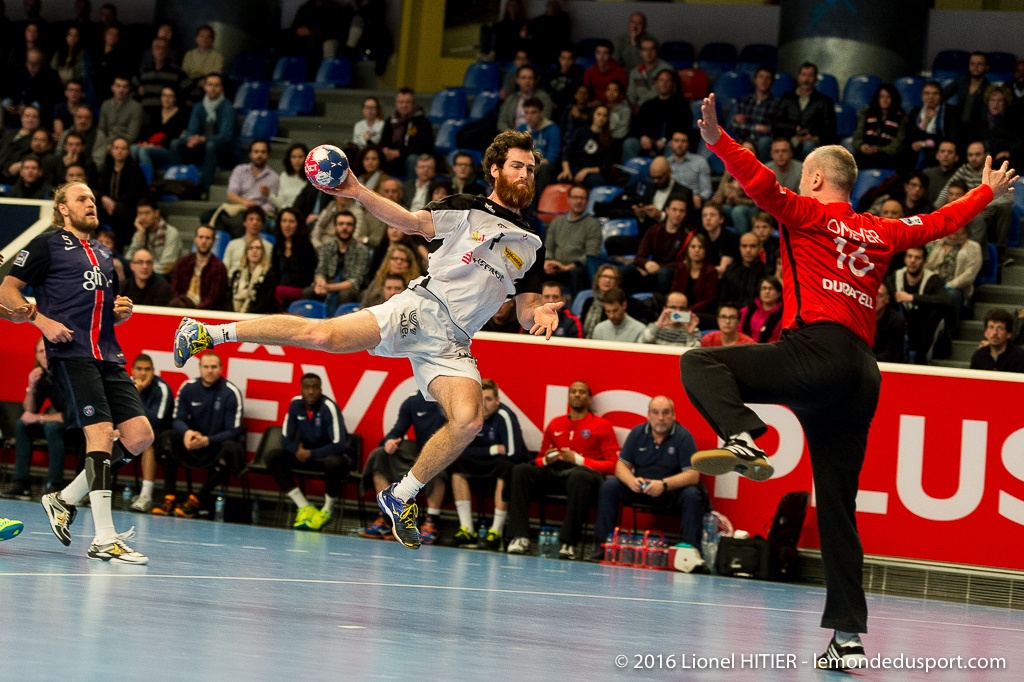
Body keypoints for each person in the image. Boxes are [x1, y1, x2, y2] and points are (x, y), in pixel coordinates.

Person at [679, 92, 1017, 667]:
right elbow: (940, 222)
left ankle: (740, 433)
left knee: (699, 361)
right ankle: (847, 639)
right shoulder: (881, 231)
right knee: (837, 508)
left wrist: (717, 140)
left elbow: (759, 182)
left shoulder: (805, 212)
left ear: (812, 179)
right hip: (862, 375)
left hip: (816, 351)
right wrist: (987, 191)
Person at [172, 129, 563, 549]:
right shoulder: (468, 207)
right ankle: (207, 332)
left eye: (531, 169)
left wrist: (537, 312)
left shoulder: (533, 243)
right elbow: (411, 223)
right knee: (321, 334)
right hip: (420, 311)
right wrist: (358, 192)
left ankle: (400, 496)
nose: (525, 175)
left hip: (455, 342)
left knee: (468, 421)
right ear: (495, 170)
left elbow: (525, 307)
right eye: (517, 166)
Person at [1, 181, 154, 564]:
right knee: (101, 434)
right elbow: (7, 289)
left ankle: (64, 498)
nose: (90, 203)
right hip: (71, 354)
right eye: (81, 199)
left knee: (138, 436)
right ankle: (104, 537)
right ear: (63, 209)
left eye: (91, 198)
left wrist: (119, 311)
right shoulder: (47, 244)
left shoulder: (105, 253)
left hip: (108, 354)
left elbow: (104, 309)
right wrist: (41, 321)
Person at [505, 380, 618, 559]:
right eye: (573, 392)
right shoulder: (555, 423)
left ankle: (568, 543)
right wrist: (547, 459)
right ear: (568, 397)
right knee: (521, 470)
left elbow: (613, 465)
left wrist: (579, 459)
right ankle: (520, 537)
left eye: (582, 392)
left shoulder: (602, 425)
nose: (577, 395)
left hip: (584, 475)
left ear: (589, 399)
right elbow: (539, 459)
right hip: (556, 471)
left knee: (580, 477)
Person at [590, 396, 701, 560]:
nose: (660, 418)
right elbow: (621, 466)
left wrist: (664, 484)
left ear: (673, 415)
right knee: (610, 486)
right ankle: (602, 547)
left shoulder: (684, 437)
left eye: (665, 413)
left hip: (669, 491)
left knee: (692, 494)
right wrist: (631, 480)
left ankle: (691, 555)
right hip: (640, 488)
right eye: (655, 413)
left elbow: (693, 475)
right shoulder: (637, 433)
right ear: (648, 415)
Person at [156, 352, 244, 518]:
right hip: (192, 443)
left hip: (215, 446)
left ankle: (195, 501)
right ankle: (169, 497)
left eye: (214, 367)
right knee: (167, 437)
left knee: (231, 448)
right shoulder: (188, 387)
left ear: (221, 368)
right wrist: (187, 433)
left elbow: (234, 430)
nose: (210, 371)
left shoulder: (231, 392)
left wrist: (207, 440)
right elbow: (177, 419)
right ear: (199, 368)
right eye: (206, 367)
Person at [358, 391, 447, 544]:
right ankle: (387, 519)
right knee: (380, 455)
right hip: (418, 455)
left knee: (438, 461)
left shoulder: (452, 400)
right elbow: (397, 430)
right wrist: (390, 441)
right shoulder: (413, 401)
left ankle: (431, 523)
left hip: (445, 455)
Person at [447, 378, 527, 549]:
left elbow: (514, 454)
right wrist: (492, 450)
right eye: (480, 399)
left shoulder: (505, 416)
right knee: (456, 463)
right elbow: (458, 449)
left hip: (504, 468)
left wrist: (484, 453)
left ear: (497, 401)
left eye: (488, 399)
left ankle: (496, 532)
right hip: (484, 462)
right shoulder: (468, 416)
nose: (483, 404)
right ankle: (467, 529)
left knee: (505, 468)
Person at [264, 373, 349, 531]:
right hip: (305, 457)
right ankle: (304, 506)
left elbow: (339, 444)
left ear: (321, 389)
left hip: (327, 458)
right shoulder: (295, 404)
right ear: (301, 389)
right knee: (273, 457)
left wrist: (311, 453)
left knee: (334, 462)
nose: (311, 391)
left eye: (315, 387)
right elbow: (285, 440)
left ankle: (327, 510)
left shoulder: (329, 407)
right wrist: (297, 451)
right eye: (307, 388)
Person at [0, 336, 67, 499]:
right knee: (22, 425)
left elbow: (73, 415)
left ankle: (54, 485)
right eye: (40, 351)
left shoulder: (67, 374)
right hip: (59, 424)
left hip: (78, 429)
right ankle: (21, 483)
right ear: (36, 355)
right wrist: (32, 386)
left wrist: (41, 418)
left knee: (51, 426)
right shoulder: (43, 377)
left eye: (48, 350)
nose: (45, 354)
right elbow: (29, 411)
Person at [169, 72, 235, 190]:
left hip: (222, 148)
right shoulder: (198, 106)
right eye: (210, 85)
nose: (213, 88)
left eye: (217, 85)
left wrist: (203, 139)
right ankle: (175, 185)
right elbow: (191, 130)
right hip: (200, 145)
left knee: (211, 145)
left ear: (221, 88)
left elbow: (226, 136)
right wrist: (191, 138)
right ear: (205, 87)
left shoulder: (227, 107)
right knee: (175, 143)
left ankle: (204, 189)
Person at [127, 353, 173, 512]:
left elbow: (156, 420)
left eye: (147, 369)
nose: (143, 373)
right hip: (127, 431)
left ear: (153, 371)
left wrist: (136, 395)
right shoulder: (123, 386)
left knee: (147, 438)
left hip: (157, 435)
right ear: (132, 370)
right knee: (103, 435)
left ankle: (146, 496)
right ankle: (95, 490)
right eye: (139, 369)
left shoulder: (162, 388)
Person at [306, 209, 372, 313]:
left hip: (353, 290)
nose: (344, 227)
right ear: (335, 227)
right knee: (308, 292)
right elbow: (320, 271)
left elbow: (355, 281)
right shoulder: (327, 247)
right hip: (328, 285)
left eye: (349, 224)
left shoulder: (362, 250)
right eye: (341, 224)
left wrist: (328, 287)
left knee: (345, 294)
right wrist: (320, 283)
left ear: (354, 228)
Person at [542, 184, 601, 294]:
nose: (578, 201)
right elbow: (548, 247)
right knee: (533, 269)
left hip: (576, 268)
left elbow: (591, 254)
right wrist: (549, 261)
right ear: (568, 199)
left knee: (576, 273)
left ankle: (575, 309)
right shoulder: (556, 222)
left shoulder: (593, 225)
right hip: (555, 267)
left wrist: (568, 267)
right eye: (575, 197)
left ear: (587, 201)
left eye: (582, 198)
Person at [622, 69, 691, 162]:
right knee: (629, 143)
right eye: (661, 80)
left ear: (673, 84)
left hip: (668, 142)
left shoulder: (681, 105)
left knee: (674, 146)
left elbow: (684, 127)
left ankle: (666, 174)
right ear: (657, 83)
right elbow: (636, 126)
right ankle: (632, 173)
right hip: (647, 142)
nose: (664, 84)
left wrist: (666, 139)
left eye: (667, 81)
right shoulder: (648, 105)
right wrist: (642, 137)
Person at [773, 62, 837, 160]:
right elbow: (776, 123)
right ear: (798, 77)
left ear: (815, 79)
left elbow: (830, 129)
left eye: (810, 75)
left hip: (812, 140)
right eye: (804, 75)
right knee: (777, 146)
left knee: (809, 146)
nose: (806, 79)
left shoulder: (824, 101)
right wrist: (795, 128)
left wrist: (814, 137)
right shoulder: (787, 98)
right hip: (789, 139)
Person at [168, 224, 229, 310]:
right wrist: (181, 305)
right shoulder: (182, 263)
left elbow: (214, 298)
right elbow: (174, 288)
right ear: (195, 239)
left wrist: (196, 310)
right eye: (201, 237)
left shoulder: (219, 268)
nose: (203, 241)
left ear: (213, 241)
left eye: (208, 238)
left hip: (206, 312)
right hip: (181, 309)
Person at [379, 88, 434, 177]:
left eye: (408, 102)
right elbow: (382, 142)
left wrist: (399, 153)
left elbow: (424, 146)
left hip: (409, 157)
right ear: (396, 104)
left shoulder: (423, 122)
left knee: (412, 159)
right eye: (401, 102)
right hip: (391, 157)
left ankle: (411, 187)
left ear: (414, 104)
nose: (404, 105)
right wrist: (385, 150)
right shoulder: (390, 121)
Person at [91, 76, 143, 168]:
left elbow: (132, 135)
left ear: (128, 89)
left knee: (123, 150)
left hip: (125, 143)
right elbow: (102, 129)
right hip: (106, 142)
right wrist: (107, 143)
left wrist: (112, 144)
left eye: (124, 87)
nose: (121, 90)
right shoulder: (105, 105)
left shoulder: (136, 107)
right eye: (118, 86)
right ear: (112, 88)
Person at [851, 84, 906, 170]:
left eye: (888, 97)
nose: (885, 100)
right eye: (882, 97)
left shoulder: (901, 117)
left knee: (878, 160)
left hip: (887, 155)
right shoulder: (866, 114)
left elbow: (898, 144)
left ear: (893, 99)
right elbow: (857, 136)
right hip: (865, 153)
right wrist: (861, 146)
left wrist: (880, 149)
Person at [668, 232, 720, 323]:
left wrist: (687, 311)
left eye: (700, 247)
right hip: (680, 310)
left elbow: (708, 300)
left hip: (700, 312)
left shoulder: (711, 271)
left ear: (705, 250)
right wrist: (676, 308)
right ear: (688, 249)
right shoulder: (682, 268)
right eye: (693, 247)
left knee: (683, 318)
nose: (697, 250)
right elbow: (674, 291)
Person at [271, 207, 317, 308]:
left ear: (298, 224)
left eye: (291, 221)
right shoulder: (277, 246)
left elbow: (309, 275)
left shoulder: (306, 246)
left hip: (300, 289)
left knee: (276, 291)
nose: (287, 225)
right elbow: (274, 271)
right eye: (284, 221)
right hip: (280, 287)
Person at [125, 197, 182, 275]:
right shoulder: (140, 232)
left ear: (156, 213)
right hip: (142, 274)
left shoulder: (171, 233)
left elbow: (166, 266)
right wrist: (140, 236)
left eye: (147, 213)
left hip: (163, 276)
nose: (143, 217)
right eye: (140, 213)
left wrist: (143, 269)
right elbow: (129, 259)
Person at [731, 67, 778, 158]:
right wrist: (756, 127)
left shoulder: (776, 104)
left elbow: (771, 130)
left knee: (765, 142)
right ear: (755, 79)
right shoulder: (744, 100)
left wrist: (745, 125)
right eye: (761, 77)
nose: (764, 81)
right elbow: (733, 125)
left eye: (767, 78)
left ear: (772, 82)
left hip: (761, 142)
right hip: (743, 140)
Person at [497, 65, 553, 133]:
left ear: (535, 81)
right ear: (517, 80)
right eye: (523, 78)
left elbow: (545, 119)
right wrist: (512, 134)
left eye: (530, 78)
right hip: (513, 136)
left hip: (535, 136)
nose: (527, 81)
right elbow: (501, 122)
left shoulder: (543, 97)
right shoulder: (511, 98)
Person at [222, 207, 274, 279]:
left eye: (258, 220)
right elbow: (224, 269)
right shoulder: (232, 244)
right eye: (251, 219)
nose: (255, 222)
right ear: (244, 223)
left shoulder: (268, 247)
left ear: (262, 224)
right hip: (233, 283)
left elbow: (268, 270)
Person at [720, 232, 767, 310]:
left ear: (760, 248)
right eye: (744, 246)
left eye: (753, 246)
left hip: (758, 316)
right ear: (739, 248)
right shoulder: (731, 270)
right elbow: (723, 299)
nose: (748, 250)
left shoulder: (768, 272)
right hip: (733, 316)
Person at [230, 236, 278, 314]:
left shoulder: (269, 275)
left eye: (258, 248)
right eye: (251, 248)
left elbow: (263, 303)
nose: (254, 251)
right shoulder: (236, 274)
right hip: (235, 314)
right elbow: (230, 300)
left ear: (262, 252)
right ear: (246, 252)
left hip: (257, 316)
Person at [665, 131, 712, 207]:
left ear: (688, 144)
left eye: (683, 141)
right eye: (676, 141)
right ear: (671, 143)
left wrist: (700, 198)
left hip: (693, 204)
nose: (680, 144)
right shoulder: (665, 164)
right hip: (671, 204)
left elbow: (706, 191)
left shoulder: (700, 161)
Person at [969, 308, 1024, 373]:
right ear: (986, 333)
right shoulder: (979, 355)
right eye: (991, 327)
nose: (994, 333)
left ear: (1009, 334)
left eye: (1000, 328)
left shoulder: (1019, 357)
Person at [627, 38, 673, 111]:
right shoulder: (635, 72)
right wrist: (633, 106)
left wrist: (642, 104)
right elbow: (631, 94)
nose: (648, 53)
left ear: (656, 51)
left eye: (651, 49)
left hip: (661, 107)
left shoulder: (667, 69)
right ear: (640, 52)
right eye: (645, 49)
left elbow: (663, 92)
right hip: (639, 110)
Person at [582, 40, 627, 106]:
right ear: (595, 54)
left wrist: (602, 103)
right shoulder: (589, 72)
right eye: (598, 53)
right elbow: (585, 93)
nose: (601, 56)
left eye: (605, 53)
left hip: (612, 106)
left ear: (611, 54)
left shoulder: (620, 73)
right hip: (592, 105)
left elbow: (622, 96)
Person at [872, 283, 906, 363]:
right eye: (873, 294)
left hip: (890, 367)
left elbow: (890, 355)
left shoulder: (896, 321)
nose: (875, 299)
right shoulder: (861, 317)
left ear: (887, 299)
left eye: (880, 295)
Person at [270, 142, 309, 212]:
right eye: (294, 157)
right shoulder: (284, 176)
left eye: (300, 157)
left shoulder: (312, 178)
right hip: (285, 213)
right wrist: (269, 194)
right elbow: (280, 202)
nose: (297, 161)